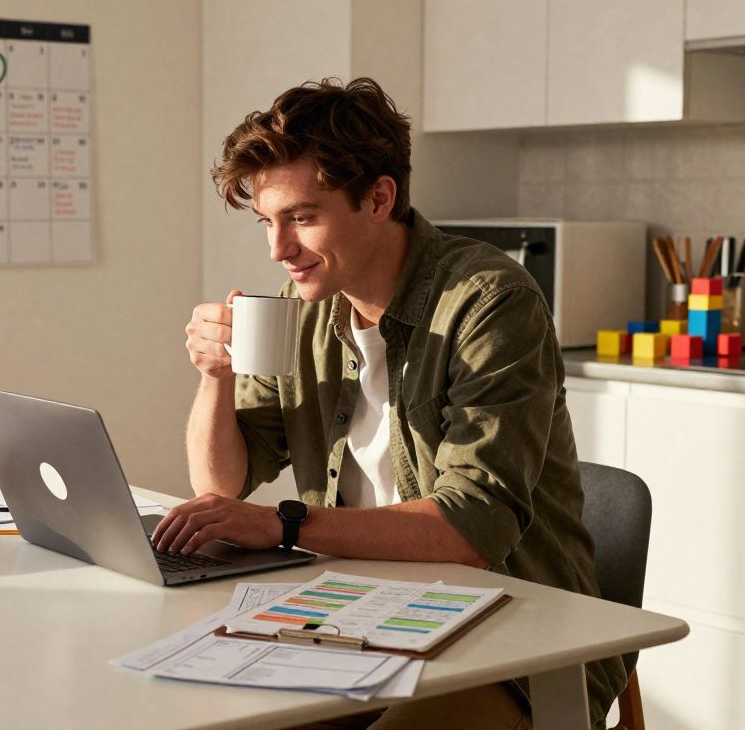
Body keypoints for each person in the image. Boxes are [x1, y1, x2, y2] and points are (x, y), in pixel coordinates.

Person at [151, 77, 626, 729]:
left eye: (302, 217)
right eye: (268, 221)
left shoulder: (490, 302)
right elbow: (221, 484)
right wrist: (216, 375)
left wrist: (284, 525)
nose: (277, 249)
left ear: (378, 197)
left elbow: (471, 529)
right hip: (357, 616)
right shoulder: (305, 308)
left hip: (513, 646)